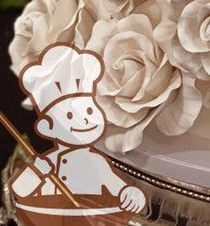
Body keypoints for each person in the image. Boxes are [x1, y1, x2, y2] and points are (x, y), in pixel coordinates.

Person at [10, 42, 146, 213]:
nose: (85, 120)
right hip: (51, 219)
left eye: (89, 110)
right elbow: (19, 190)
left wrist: (132, 194)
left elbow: (121, 189)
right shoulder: (49, 161)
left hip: (87, 222)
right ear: (47, 128)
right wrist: (39, 171)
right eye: (69, 116)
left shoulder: (97, 163)